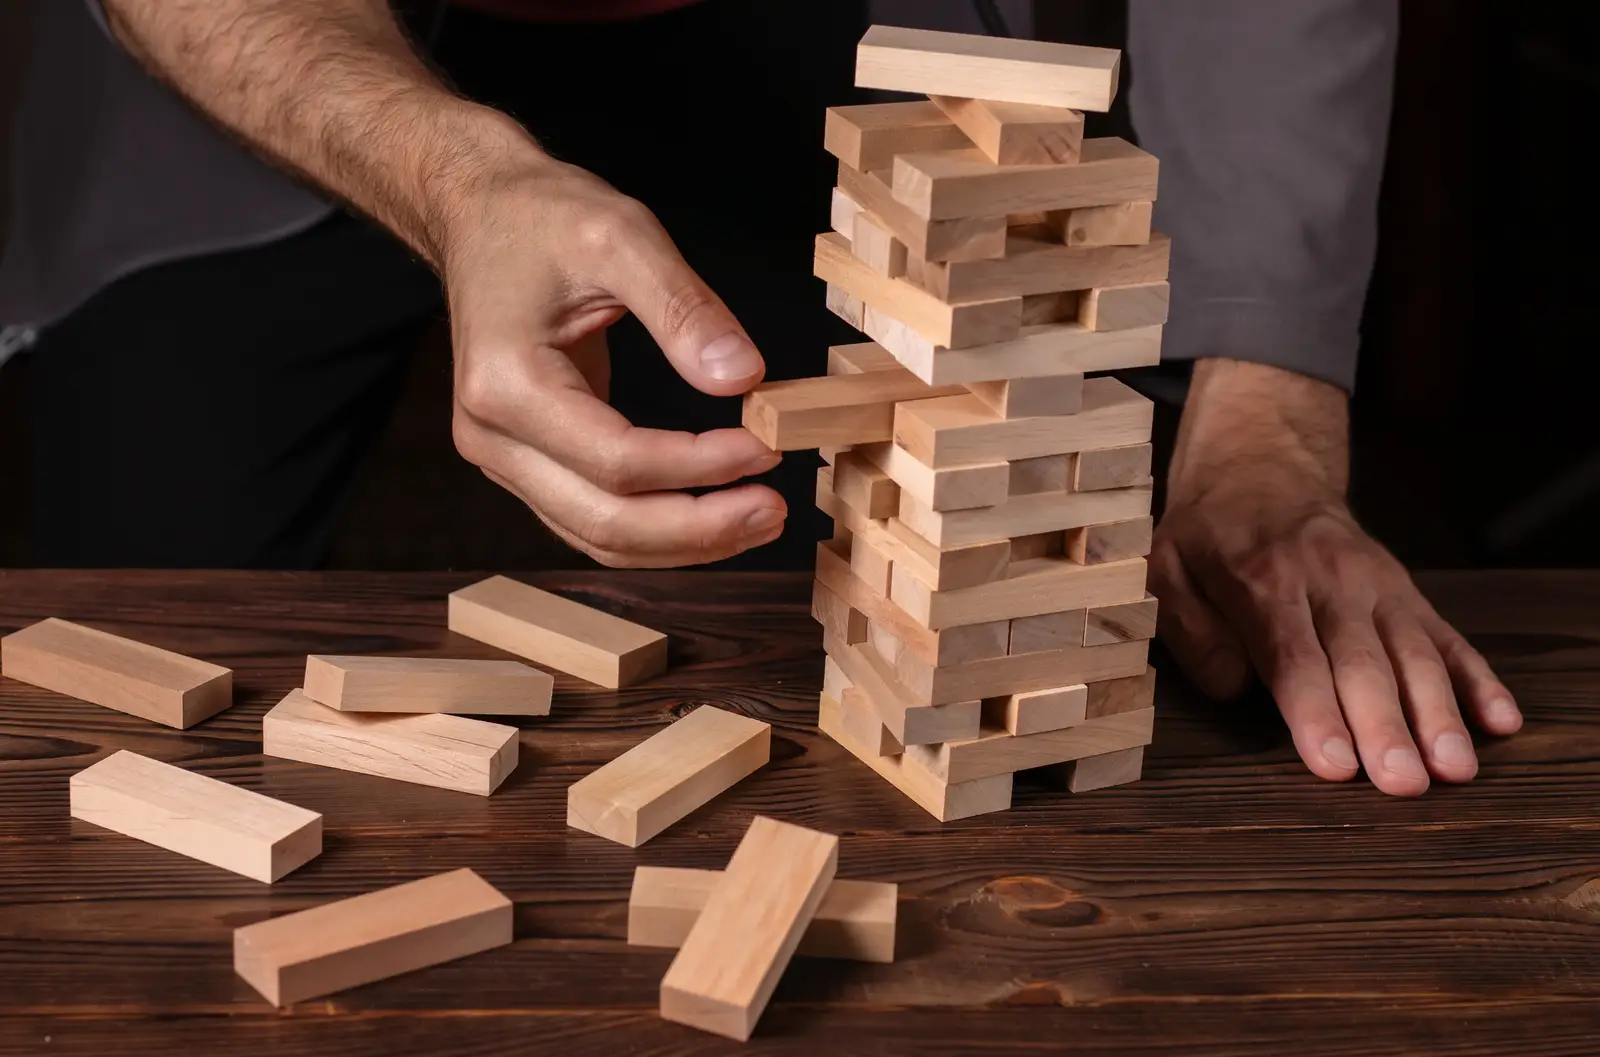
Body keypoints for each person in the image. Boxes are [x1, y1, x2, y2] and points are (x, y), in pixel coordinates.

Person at [0, 0, 1522, 794]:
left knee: (969, 596)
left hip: (843, 23)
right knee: (103, 639)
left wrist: (1266, 419)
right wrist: (459, 178)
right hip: (286, 65)